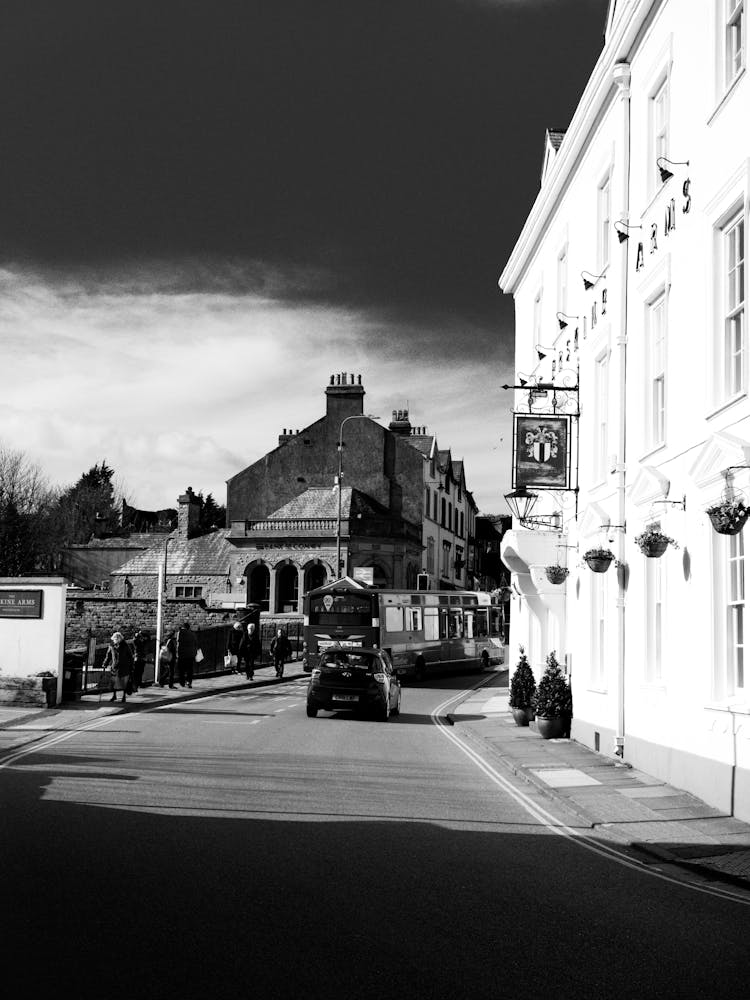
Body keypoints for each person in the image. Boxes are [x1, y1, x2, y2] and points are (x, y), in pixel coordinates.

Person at [102, 631, 134, 704]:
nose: (116, 640)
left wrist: (131, 666)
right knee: (113, 683)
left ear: (120, 639)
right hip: (115, 667)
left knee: (123, 683)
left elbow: (130, 657)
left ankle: (123, 697)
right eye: (115, 638)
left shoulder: (125, 646)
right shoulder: (111, 646)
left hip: (124, 667)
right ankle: (114, 696)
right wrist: (105, 663)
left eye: (117, 638)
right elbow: (108, 656)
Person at [175, 620, 198, 688]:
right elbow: (196, 644)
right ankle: (189, 682)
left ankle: (182, 682)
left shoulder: (180, 633)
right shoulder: (193, 634)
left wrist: (177, 653)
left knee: (181, 669)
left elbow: (178, 643)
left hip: (182, 654)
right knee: (189, 669)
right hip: (191, 654)